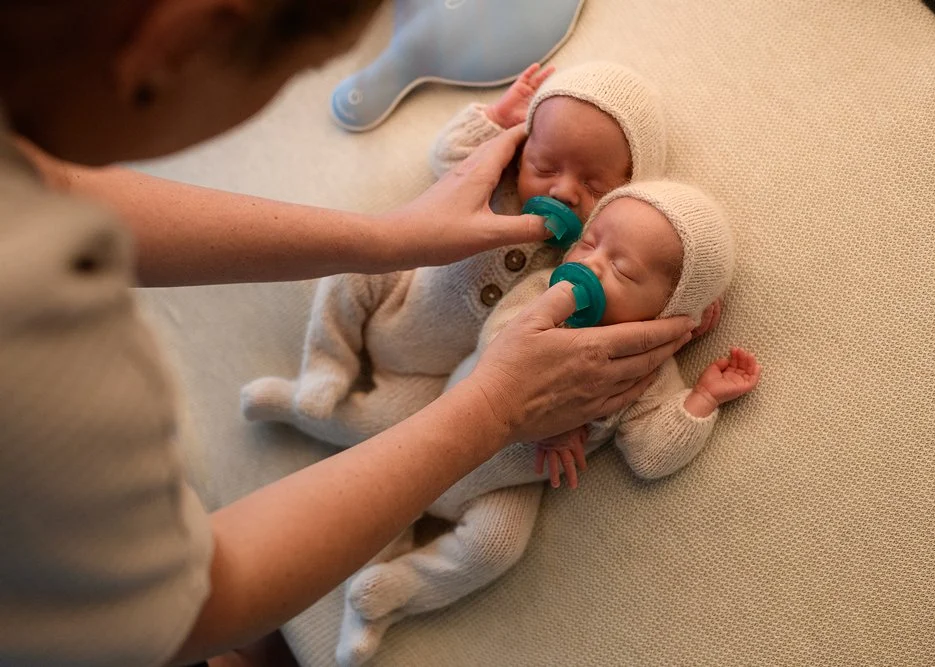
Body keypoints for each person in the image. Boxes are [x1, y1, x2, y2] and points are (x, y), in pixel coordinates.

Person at [0, 1, 697, 665]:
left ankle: (380, 582)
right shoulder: (51, 360)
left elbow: (52, 184)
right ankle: (311, 386)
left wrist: (386, 238)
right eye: (303, 74)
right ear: (176, 41)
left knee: (485, 535)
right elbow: (184, 609)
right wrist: (495, 408)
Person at [334, 180, 762, 665]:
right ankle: (358, 585)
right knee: (381, 500)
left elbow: (649, 454)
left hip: (505, 484)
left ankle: (395, 591)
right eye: (589, 241)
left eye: (621, 268)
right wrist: (550, 423)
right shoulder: (542, 296)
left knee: (495, 548)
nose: (589, 265)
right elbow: (496, 341)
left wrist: (700, 399)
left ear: (674, 310)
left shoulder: (646, 373)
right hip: (435, 428)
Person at [239, 61, 669, 444]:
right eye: (545, 167)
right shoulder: (494, 186)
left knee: (393, 429)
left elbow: (623, 299)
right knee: (350, 270)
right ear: (522, 153)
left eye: (594, 187)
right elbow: (447, 156)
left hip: (432, 375)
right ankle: (326, 366)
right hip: (402, 292)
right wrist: (496, 121)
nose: (562, 190)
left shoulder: (585, 261)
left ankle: (297, 410)